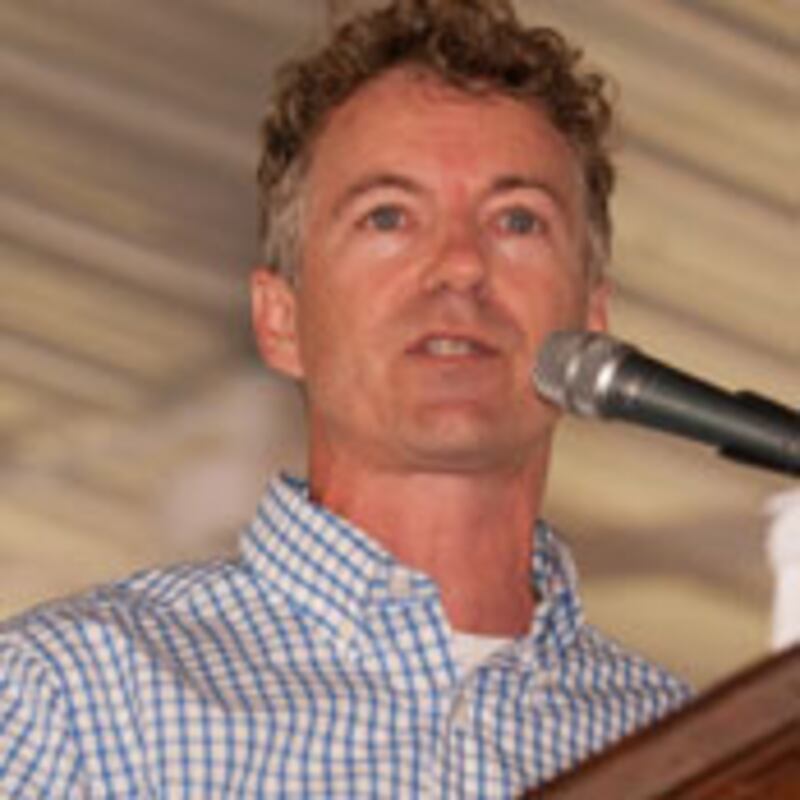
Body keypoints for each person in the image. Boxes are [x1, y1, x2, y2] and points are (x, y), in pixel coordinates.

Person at [0, 0, 691, 796]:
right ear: (280, 320)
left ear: (592, 319)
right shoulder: (71, 705)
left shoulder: (703, 751)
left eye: (517, 221)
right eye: (388, 217)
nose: (461, 265)